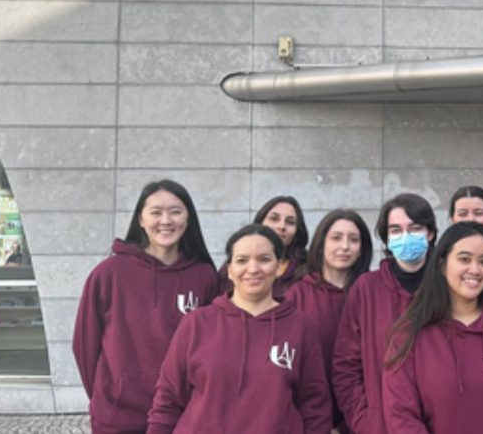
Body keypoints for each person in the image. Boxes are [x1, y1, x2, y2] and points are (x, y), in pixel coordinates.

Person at [147, 224, 331, 434]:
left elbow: (315, 406)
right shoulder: (196, 323)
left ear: (279, 267)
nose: (253, 269)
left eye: (264, 259)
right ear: (230, 270)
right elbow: (167, 400)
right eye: (242, 260)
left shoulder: (300, 327)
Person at [73, 180, 218, 434]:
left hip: (183, 416)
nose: (166, 220)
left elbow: (212, 347)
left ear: (189, 218)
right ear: (141, 219)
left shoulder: (204, 276)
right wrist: (107, 396)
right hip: (118, 419)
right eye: (156, 212)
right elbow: (85, 345)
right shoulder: (109, 273)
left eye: (175, 211)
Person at [382, 222, 483, 433]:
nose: (475, 270)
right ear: (442, 265)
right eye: (464, 259)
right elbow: (401, 415)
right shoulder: (409, 334)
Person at [332, 193, 438, 434]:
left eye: (415, 228)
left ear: (430, 233)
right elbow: (345, 365)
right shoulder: (366, 288)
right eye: (396, 230)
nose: (406, 236)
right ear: (386, 238)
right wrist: (365, 420)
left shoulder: (448, 284)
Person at [286, 209, 373, 432]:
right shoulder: (297, 295)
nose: (344, 246)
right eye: (336, 238)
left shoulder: (372, 294)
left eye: (353, 240)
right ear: (321, 242)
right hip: (309, 420)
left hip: (362, 420)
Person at [218, 195, 309, 298]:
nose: (282, 226)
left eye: (290, 222)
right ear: (260, 223)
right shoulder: (235, 265)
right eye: (274, 219)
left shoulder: (308, 268)